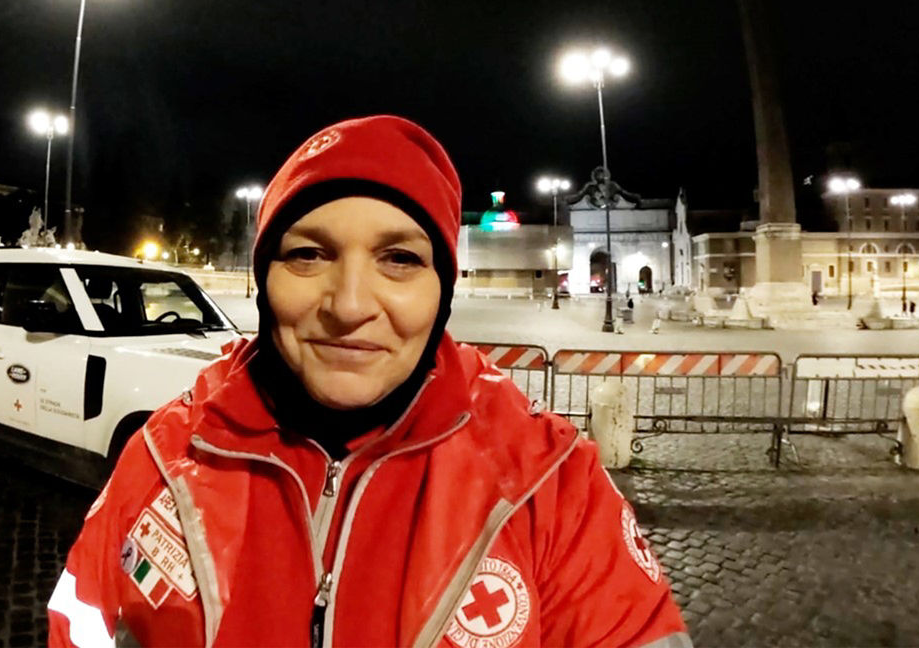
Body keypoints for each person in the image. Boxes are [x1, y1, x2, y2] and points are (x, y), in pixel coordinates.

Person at [47, 116, 689, 648]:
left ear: (443, 290)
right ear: (265, 279)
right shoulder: (167, 455)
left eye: (400, 258)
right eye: (307, 254)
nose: (350, 304)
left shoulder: (550, 484)